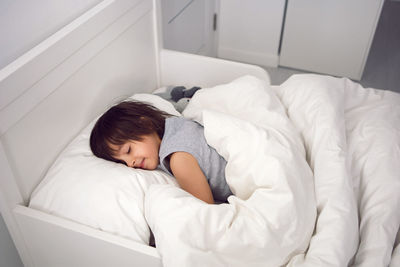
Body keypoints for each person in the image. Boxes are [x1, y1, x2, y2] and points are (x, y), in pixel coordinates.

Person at [90, 100, 233, 204]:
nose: (130, 164)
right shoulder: (175, 124)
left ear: (145, 124)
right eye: (121, 162)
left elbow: (206, 209)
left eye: (128, 150)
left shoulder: (178, 159)